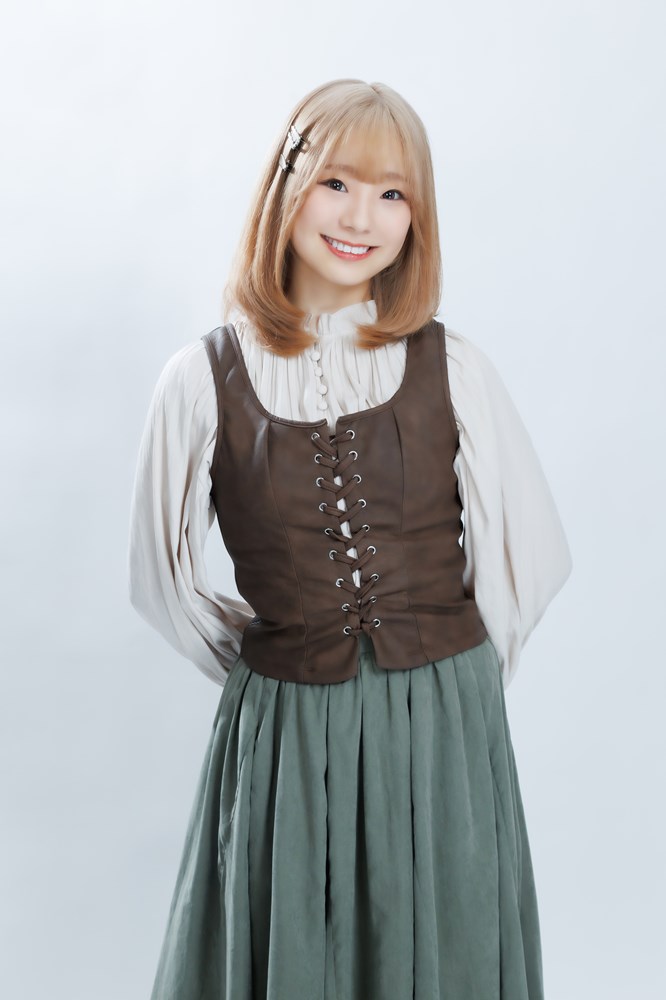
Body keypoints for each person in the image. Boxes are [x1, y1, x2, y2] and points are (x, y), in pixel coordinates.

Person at [128, 78, 572, 1000]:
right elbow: (161, 582)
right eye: (337, 182)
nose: (362, 217)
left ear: (417, 216)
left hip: (441, 728)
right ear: (286, 188)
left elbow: (527, 560)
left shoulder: (453, 367)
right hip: (288, 733)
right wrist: (274, 666)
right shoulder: (200, 379)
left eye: (393, 192)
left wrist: (449, 701)